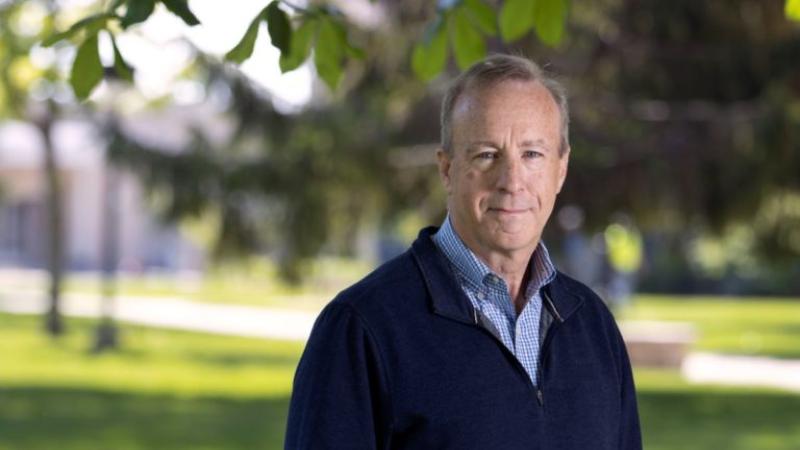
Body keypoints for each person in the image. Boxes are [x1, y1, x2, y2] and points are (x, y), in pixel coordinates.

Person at [285, 54, 642, 450]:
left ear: (561, 169)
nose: (511, 181)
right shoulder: (362, 328)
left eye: (532, 155)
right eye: (487, 154)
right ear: (446, 169)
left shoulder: (594, 327)